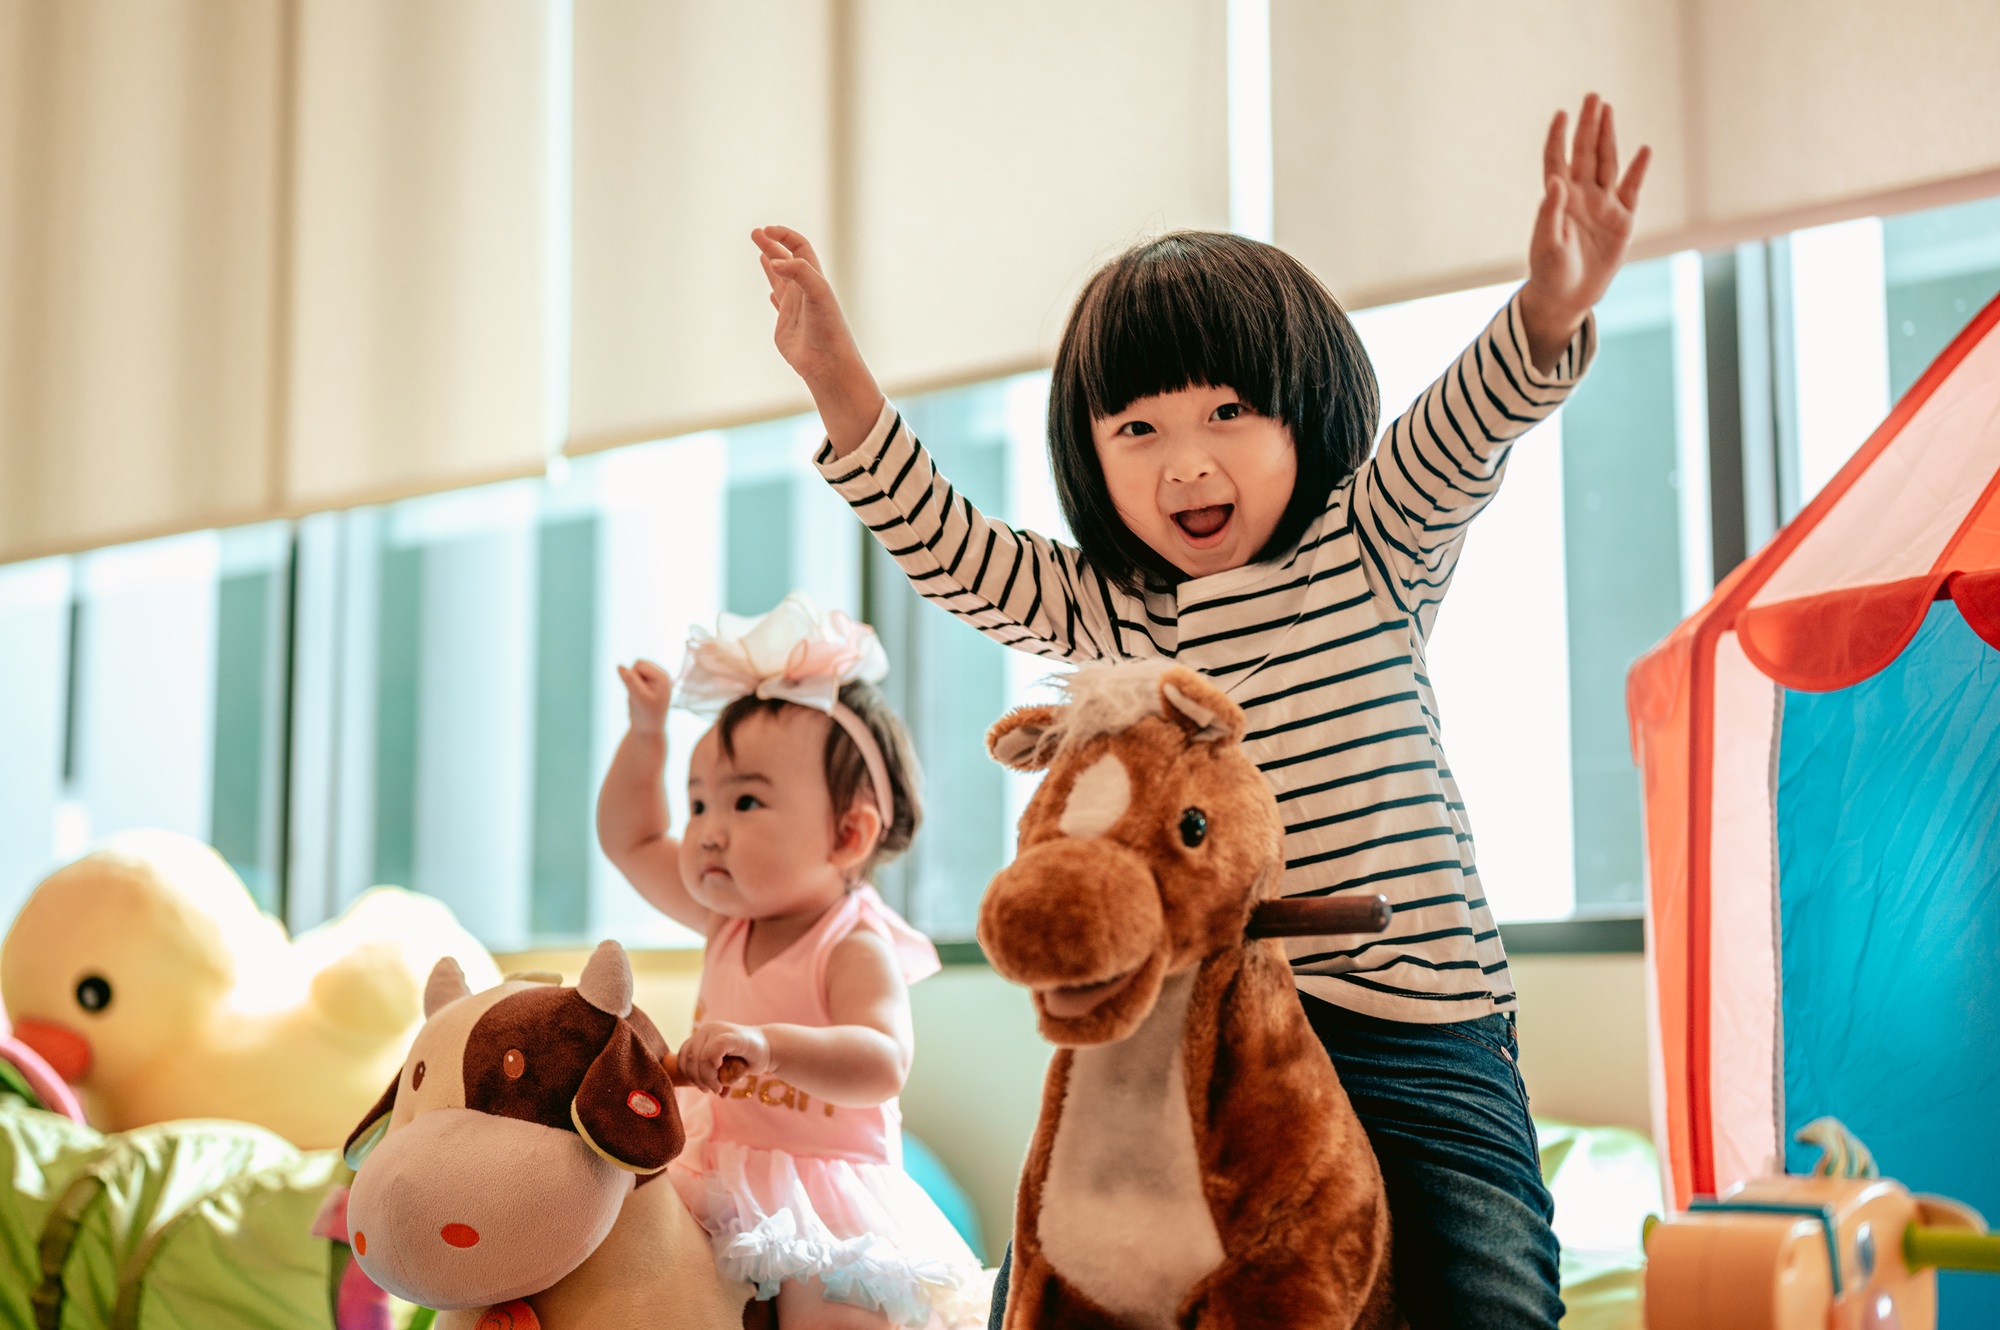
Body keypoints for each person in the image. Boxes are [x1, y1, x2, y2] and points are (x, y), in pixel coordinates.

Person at [750, 96, 1649, 1329]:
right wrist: (842, 391)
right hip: (1198, 1040)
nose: (1185, 463)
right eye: (1138, 428)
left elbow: (1462, 431)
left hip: (1413, 1023)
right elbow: (951, 551)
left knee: (1490, 1290)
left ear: (1303, 415)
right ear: (1092, 455)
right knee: (1055, 1266)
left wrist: (1546, 309)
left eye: (1228, 413)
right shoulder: (1115, 613)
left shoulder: (1367, 546)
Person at [596, 592, 986, 1330]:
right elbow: (630, 840)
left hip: (821, 1191)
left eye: (744, 804)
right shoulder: (725, 918)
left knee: (829, 1315)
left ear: (847, 834)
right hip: (711, 1165)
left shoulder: (852, 942)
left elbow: (881, 1060)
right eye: (699, 803)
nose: (707, 832)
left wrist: (771, 1047)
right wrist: (647, 734)